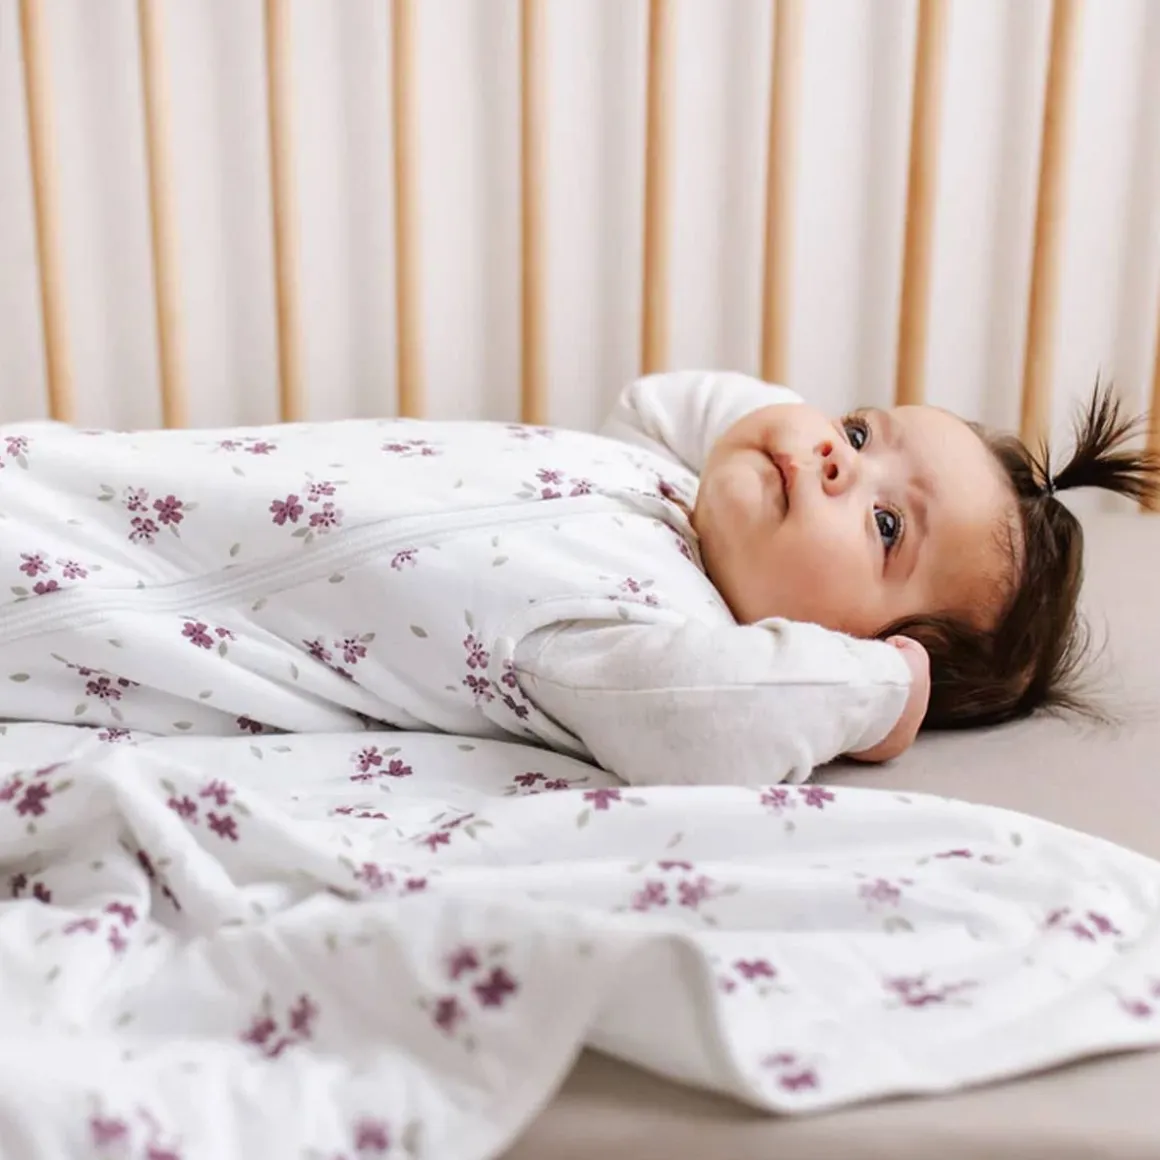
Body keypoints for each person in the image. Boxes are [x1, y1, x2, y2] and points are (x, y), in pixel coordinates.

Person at [0, 371, 1154, 788]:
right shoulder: (658, 472)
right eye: (856, 427)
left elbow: (718, 718)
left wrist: (880, 693)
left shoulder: (639, 645)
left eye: (886, 523)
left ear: (849, 644)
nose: (832, 459)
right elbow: (670, 394)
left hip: (90, 611)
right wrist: (793, 433)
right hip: (114, 481)